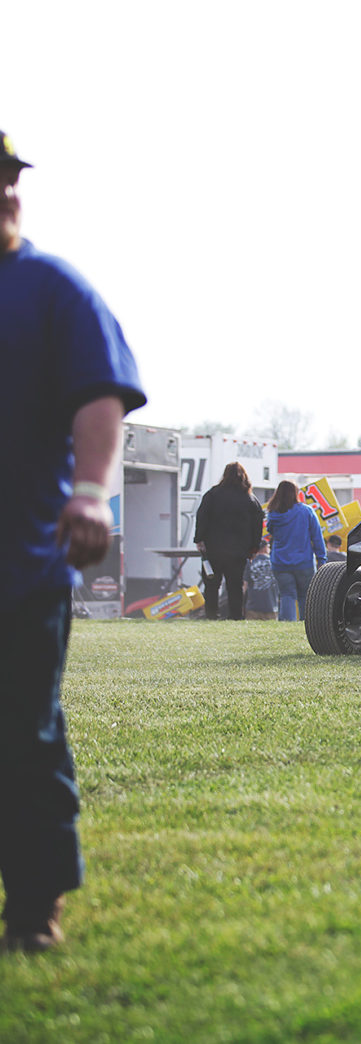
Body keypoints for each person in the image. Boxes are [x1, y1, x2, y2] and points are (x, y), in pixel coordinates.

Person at [0, 132, 146, 953]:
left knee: (22, 733)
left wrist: (91, 493)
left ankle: (34, 910)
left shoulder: (53, 290)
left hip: (19, 568)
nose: (5, 196)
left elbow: (99, 399)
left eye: (11, 182)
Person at [193, 462, 264, 620]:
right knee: (235, 586)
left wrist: (199, 539)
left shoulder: (212, 495)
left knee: (211, 585)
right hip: (239, 551)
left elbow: (202, 517)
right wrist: (254, 547)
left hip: (214, 548)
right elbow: (257, 525)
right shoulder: (250, 499)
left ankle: (211, 615)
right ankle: (236, 616)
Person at [265, 480, 327, 620]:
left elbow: (270, 531)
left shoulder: (273, 514)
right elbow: (317, 536)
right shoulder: (306, 511)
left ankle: (287, 624)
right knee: (305, 595)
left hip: (280, 562)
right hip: (304, 562)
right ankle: (306, 624)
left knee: (287, 594)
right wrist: (321, 558)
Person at [244, 539, 278, 620]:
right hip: (271, 606)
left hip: (252, 607)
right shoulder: (274, 562)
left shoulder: (250, 563)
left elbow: (244, 586)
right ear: (265, 548)